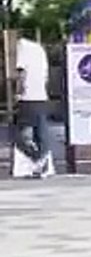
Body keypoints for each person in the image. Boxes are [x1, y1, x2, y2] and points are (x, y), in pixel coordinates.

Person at [12, 33, 53, 178]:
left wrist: (18, 92)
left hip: (28, 98)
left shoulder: (22, 46)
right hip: (41, 97)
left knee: (22, 136)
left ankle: (38, 161)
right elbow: (46, 77)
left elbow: (21, 73)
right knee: (40, 135)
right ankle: (41, 163)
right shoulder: (40, 50)